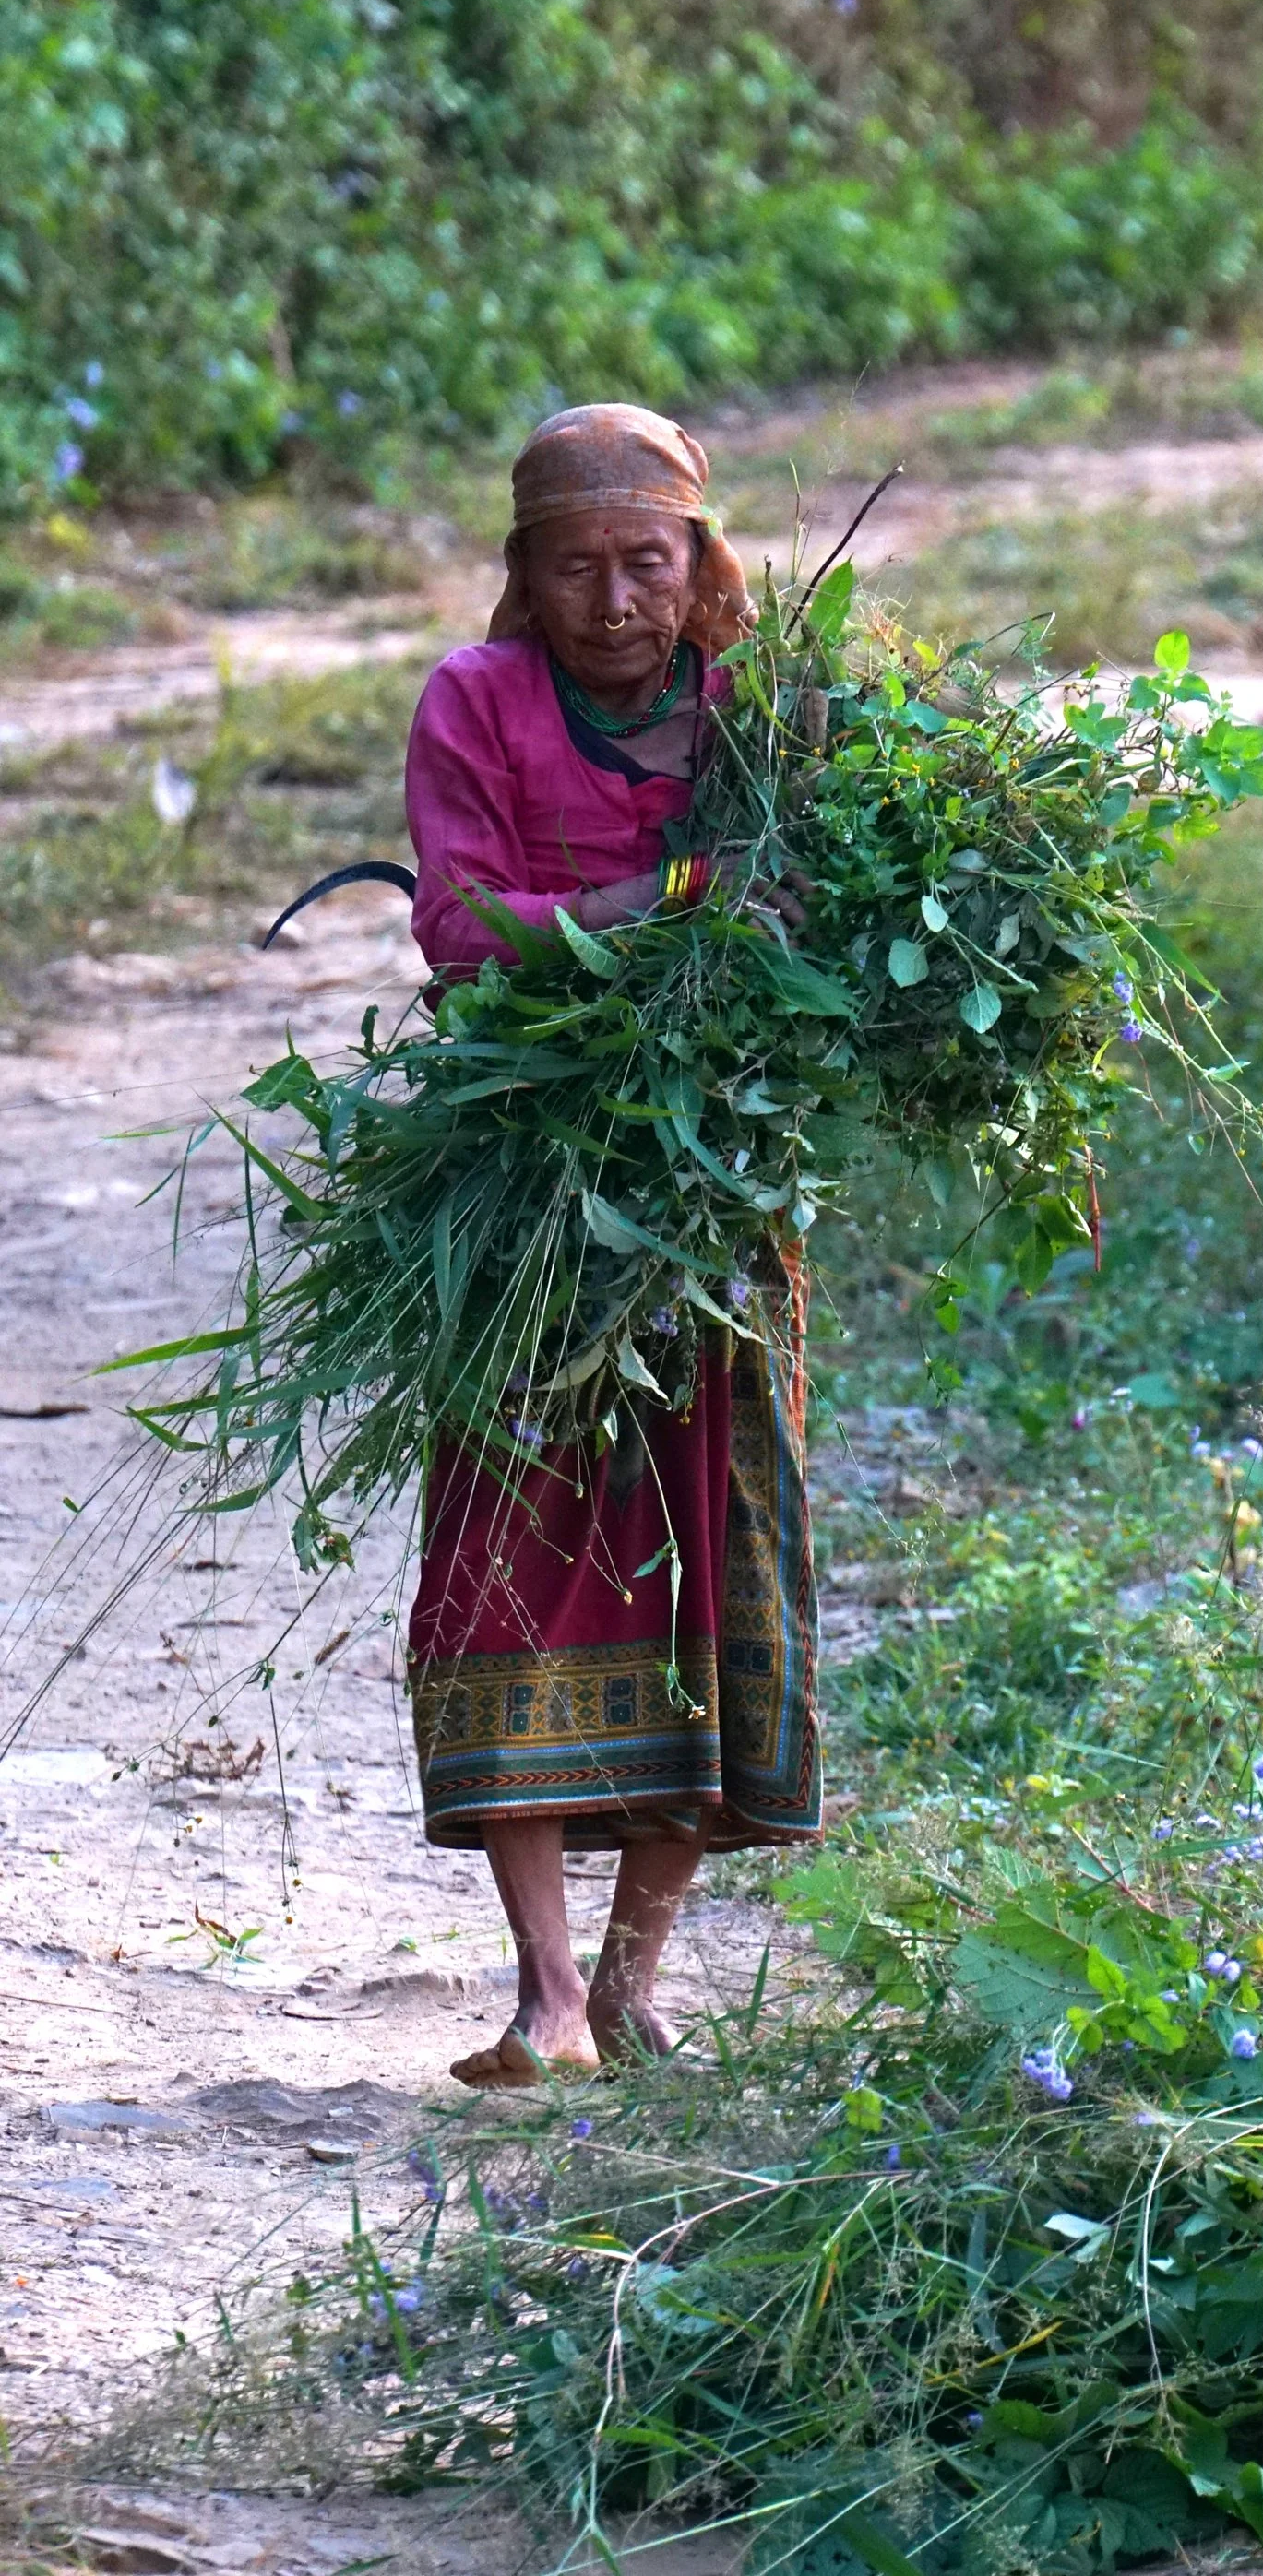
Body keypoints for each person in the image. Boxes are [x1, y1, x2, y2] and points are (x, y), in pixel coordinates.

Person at [403, 404, 822, 2085]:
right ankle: (546, 1994)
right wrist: (659, 910)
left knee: (721, 1555)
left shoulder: (765, 713)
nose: (614, 599)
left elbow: (809, 913)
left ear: (702, 562)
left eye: (646, 562)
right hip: (521, 1190)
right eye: (573, 567)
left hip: (719, 1192)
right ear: (525, 574)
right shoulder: (475, 701)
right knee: (515, 1550)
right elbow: (462, 928)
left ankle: (639, 1982)